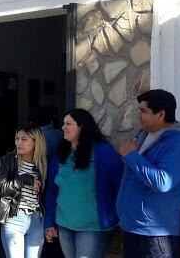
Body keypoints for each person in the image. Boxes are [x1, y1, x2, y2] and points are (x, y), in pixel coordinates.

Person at [116, 89, 180, 258]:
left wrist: (131, 156)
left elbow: (163, 182)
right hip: (133, 226)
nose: (138, 115)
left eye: (143, 111)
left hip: (157, 233)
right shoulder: (143, 135)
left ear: (161, 114)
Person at [44, 109, 123, 258]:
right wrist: (49, 222)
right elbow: (52, 192)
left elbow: (120, 186)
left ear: (82, 127)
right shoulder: (60, 153)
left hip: (93, 227)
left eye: (68, 124)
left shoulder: (103, 152)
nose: (63, 127)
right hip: (64, 224)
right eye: (63, 123)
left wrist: (115, 216)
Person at [0, 124, 47, 258]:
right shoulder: (9, 160)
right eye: (17, 139)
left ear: (36, 142)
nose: (19, 143)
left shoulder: (43, 164)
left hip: (36, 220)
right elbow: (0, 187)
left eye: (24, 139)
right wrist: (25, 179)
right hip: (14, 218)